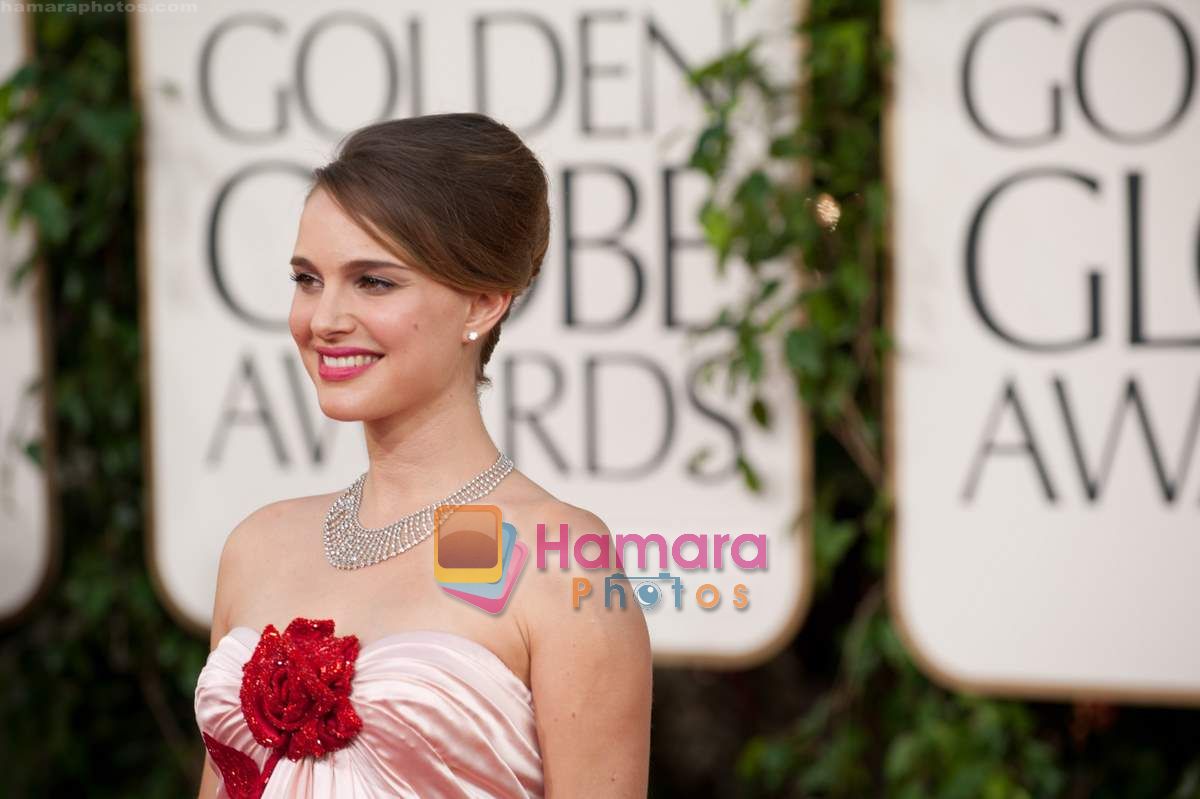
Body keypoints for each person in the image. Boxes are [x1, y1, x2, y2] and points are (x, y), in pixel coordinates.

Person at [193, 113, 652, 798]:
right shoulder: (257, 546)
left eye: (373, 281)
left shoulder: (557, 560)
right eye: (308, 278)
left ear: (484, 302)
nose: (324, 319)